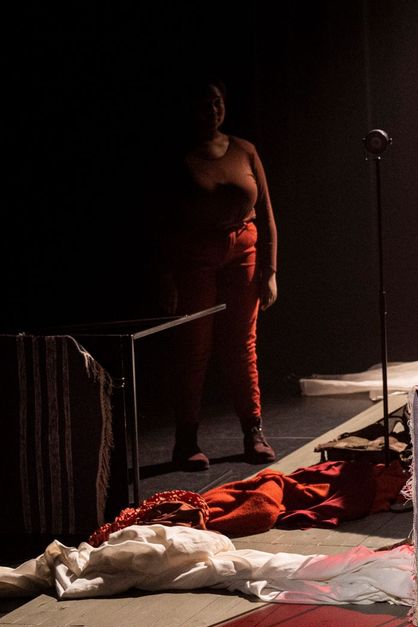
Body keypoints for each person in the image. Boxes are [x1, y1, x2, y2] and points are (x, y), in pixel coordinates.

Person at [159, 78, 277, 470]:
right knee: (194, 347)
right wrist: (167, 276)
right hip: (196, 255)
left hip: (244, 249)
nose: (212, 110)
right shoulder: (180, 158)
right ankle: (186, 440)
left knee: (242, 344)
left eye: (217, 102)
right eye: (204, 104)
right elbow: (164, 222)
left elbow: (267, 214)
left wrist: (270, 270)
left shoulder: (244, 149)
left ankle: (253, 431)